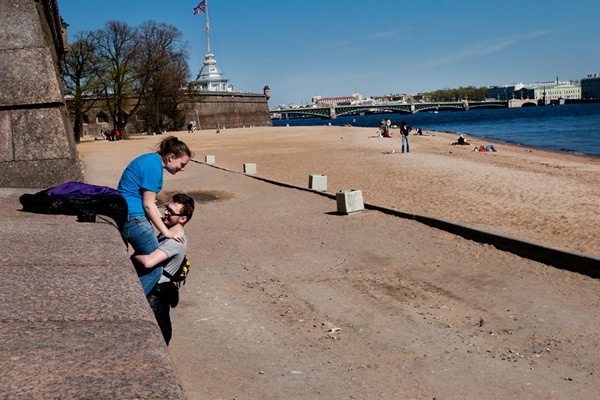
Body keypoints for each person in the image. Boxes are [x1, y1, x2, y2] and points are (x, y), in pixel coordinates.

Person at [117, 136, 192, 295]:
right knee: (154, 269)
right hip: (133, 217)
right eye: (182, 164)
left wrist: (162, 224)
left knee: (147, 258)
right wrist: (166, 232)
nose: (182, 168)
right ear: (171, 157)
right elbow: (148, 204)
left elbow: (150, 205)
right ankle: (133, 304)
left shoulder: (150, 160)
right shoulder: (154, 166)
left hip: (126, 213)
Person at [132, 193, 195, 345]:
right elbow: (150, 214)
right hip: (157, 290)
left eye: (171, 212)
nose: (166, 212)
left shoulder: (175, 241)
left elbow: (148, 262)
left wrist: (132, 257)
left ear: (183, 219)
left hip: (156, 294)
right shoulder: (170, 231)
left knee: (153, 339)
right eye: (167, 208)